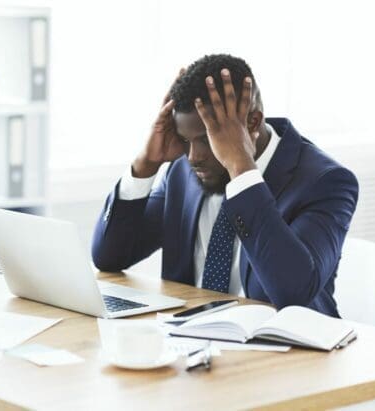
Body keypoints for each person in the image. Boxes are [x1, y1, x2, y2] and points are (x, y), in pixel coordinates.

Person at [91, 54, 358, 317]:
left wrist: (241, 170)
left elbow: (292, 293)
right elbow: (109, 258)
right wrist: (146, 164)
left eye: (207, 139)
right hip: (189, 340)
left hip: (287, 349)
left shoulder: (326, 182)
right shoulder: (182, 171)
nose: (193, 157)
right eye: (186, 140)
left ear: (252, 123)